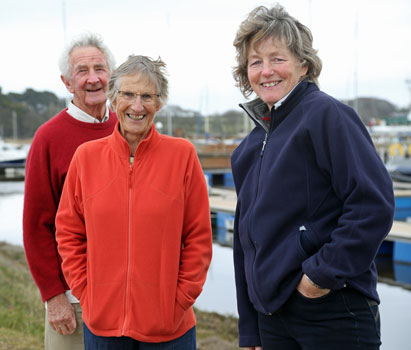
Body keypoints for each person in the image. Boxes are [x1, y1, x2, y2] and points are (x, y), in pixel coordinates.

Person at [230, 4, 395, 350]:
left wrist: (320, 275)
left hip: (331, 308)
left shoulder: (328, 116)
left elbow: (372, 204)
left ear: (303, 65)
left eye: (278, 58)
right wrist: (249, 326)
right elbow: (244, 243)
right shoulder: (249, 146)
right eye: (255, 62)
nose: (266, 71)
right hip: (272, 317)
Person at [55, 55, 213, 349]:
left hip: (170, 329)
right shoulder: (86, 158)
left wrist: (177, 303)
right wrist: (89, 295)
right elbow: (68, 233)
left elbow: (199, 239)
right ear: (113, 100)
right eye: (128, 94)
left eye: (146, 96)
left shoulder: (183, 156)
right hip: (103, 328)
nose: (137, 106)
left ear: (159, 102)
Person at [23, 32, 116, 349]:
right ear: (67, 82)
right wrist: (54, 296)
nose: (93, 79)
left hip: (126, 298)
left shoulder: (127, 129)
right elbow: (36, 225)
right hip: (73, 300)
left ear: (111, 76)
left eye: (100, 69)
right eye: (82, 71)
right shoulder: (47, 138)